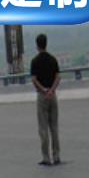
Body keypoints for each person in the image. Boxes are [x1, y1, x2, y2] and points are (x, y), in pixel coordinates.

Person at [30, 33, 61, 166]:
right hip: (52, 95)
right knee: (54, 127)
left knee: (43, 128)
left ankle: (46, 158)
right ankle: (56, 155)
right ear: (46, 43)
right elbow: (58, 76)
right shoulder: (53, 59)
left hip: (42, 96)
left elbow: (34, 79)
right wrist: (52, 90)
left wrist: (43, 90)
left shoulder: (35, 61)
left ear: (37, 45)